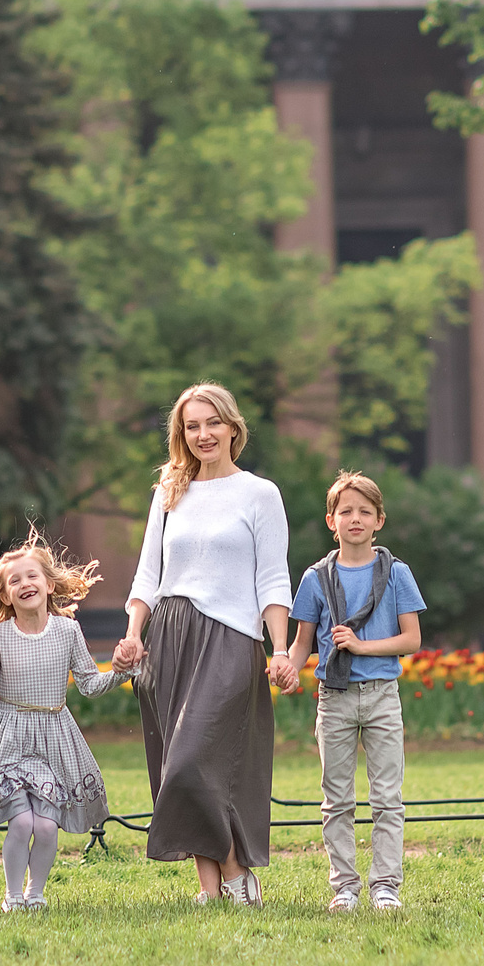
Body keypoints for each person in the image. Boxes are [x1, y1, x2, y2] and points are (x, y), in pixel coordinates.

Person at [113, 383, 296, 907]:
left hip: (231, 637)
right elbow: (148, 574)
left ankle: (239, 872)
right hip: (167, 636)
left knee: (202, 760)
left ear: (233, 428)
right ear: (181, 434)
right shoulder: (169, 491)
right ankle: (210, 889)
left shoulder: (259, 494)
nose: (203, 435)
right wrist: (132, 636)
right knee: (177, 766)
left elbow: (273, 580)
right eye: (192, 426)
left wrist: (279, 649)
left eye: (212, 423)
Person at [0, 532, 130, 912]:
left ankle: (35, 893)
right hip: (7, 738)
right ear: (5, 595)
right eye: (15, 581)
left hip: (54, 739)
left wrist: (121, 671)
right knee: (21, 824)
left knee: (46, 827)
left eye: (32, 576)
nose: (25, 584)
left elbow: (88, 684)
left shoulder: (67, 631)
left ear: (49, 584)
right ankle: (12, 896)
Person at [286, 469, 425, 913]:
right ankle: (344, 887)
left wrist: (363, 646)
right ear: (332, 521)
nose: (355, 519)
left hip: (383, 693)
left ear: (379, 520)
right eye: (346, 511)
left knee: (388, 798)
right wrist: (285, 667)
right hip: (335, 696)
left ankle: (386, 886)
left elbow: (411, 640)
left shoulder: (397, 573)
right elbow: (303, 643)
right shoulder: (315, 578)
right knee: (336, 799)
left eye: (365, 511)